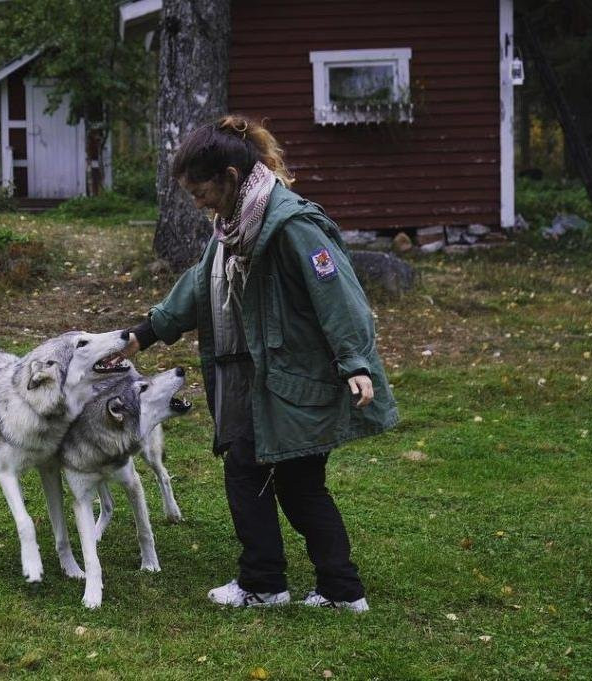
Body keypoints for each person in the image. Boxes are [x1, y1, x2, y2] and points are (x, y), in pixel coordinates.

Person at [114, 115, 398, 612]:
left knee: (255, 474)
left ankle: (268, 584)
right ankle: (337, 590)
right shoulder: (232, 228)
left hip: (296, 380)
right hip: (265, 381)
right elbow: (200, 288)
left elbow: (339, 296)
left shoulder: (290, 225)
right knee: (295, 484)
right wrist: (142, 334)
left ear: (228, 175)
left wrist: (356, 363)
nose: (196, 202)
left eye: (200, 190)